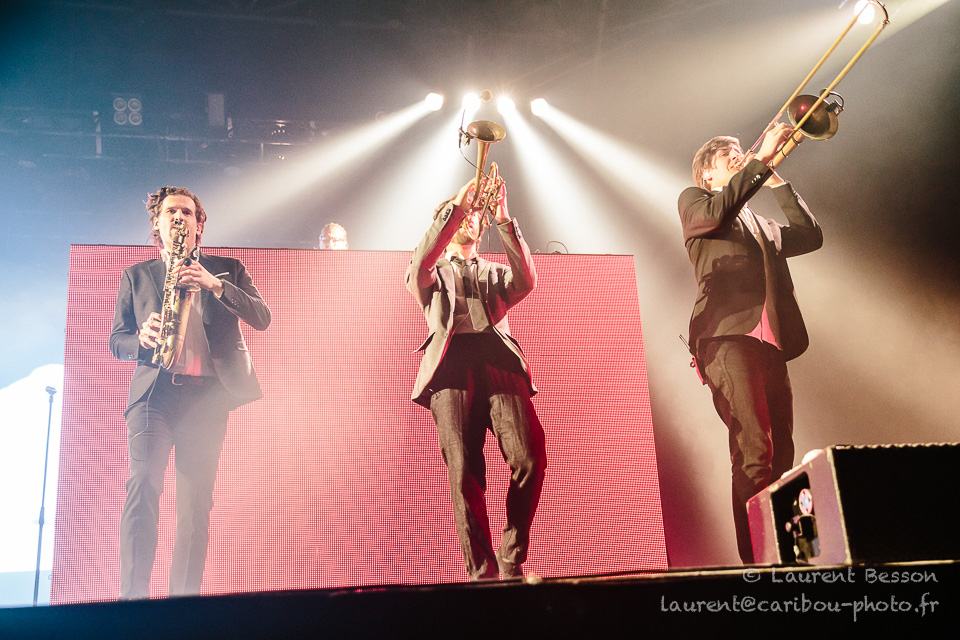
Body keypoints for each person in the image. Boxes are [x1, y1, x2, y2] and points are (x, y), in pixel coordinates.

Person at [110, 186, 271, 598]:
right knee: (143, 486)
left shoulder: (227, 269)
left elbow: (262, 317)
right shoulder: (137, 275)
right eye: (170, 212)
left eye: (186, 212)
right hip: (155, 397)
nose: (178, 218)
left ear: (199, 225)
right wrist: (140, 340)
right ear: (157, 224)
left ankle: (182, 606)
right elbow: (117, 341)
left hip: (205, 400)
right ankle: (132, 601)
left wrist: (215, 285)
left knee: (195, 507)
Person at [678, 124, 823, 564]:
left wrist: (775, 179)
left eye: (742, 150)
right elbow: (719, 213)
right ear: (708, 173)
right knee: (753, 450)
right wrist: (759, 162)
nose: (739, 154)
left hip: (770, 347)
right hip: (726, 340)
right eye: (729, 152)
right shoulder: (696, 202)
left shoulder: (761, 224)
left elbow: (810, 235)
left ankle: (791, 555)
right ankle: (756, 560)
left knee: (783, 453)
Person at [405, 163, 546, 581]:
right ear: (446, 225)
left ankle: (511, 556)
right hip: (451, 368)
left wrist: (502, 217)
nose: (471, 219)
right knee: (463, 470)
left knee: (530, 457)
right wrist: (458, 205)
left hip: (499, 363)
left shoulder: (495, 273)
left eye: (474, 216)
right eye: (462, 216)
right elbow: (421, 265)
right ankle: (481, 574)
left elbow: (527, 280)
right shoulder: (430, 271)